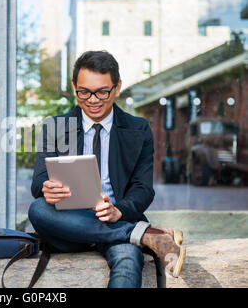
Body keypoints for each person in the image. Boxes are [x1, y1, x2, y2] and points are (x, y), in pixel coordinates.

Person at [28, 50, 186, 288]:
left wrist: (119, 211)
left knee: (128, 259)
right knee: (38, 208)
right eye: (84, 91)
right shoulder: (55, 127)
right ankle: (143, 234)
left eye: (102, 91)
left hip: (117, 218)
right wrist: (46, 188)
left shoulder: (139, 129)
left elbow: (143, 189)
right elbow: (38, 182)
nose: (93, 100)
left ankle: (130, 232)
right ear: (74, 87)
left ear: (117, 87)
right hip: (69, 227)